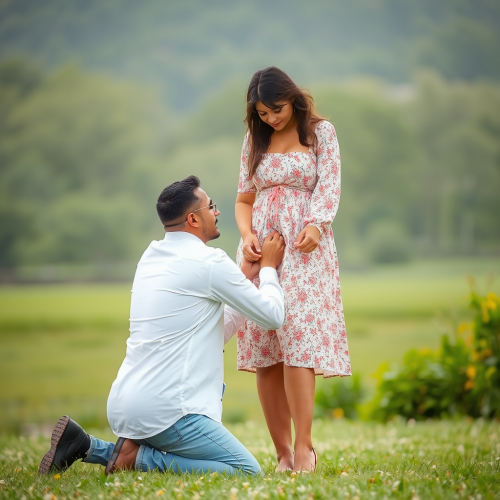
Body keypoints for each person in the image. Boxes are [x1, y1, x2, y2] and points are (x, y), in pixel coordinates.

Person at [38, 175, 286, 476]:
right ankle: (134, 459)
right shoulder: (210, 263)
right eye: (212, 206)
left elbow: (211, 333)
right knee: (248, 471)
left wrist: (244, 280)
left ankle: (87, 446)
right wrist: (270, 269)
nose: (217, 212)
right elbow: (273, 315)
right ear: (194, 219)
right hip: (169, 411)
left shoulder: (151, 257)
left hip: (126, 405)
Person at [235, 66, 351, 472]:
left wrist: (317, 225)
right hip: (262, 245)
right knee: (265, 347)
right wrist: (247, 234)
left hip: (305, 246)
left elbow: (330, 186)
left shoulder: (321, 132)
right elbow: (244, 199)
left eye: (276, 110)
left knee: (298, 338)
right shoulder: (255, 138)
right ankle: (282, 453)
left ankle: (305, 448)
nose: (271, 119)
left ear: (292, 96)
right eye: (263, 114)